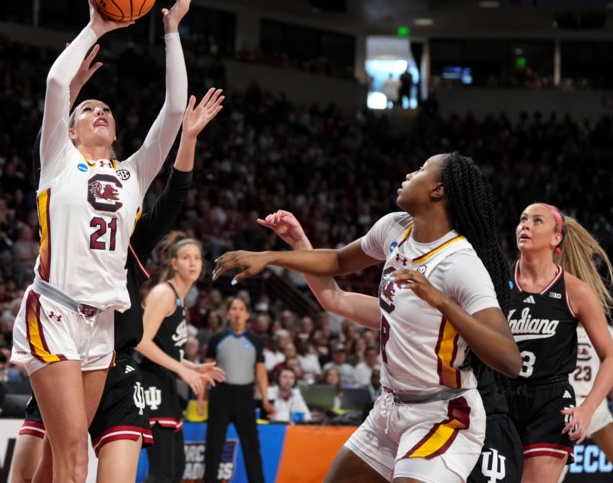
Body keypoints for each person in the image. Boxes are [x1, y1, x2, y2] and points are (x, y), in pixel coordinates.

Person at [215, 153, 523, 483]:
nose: (408, 173)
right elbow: (335, 263)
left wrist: (442, 302)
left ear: (438, 190)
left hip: (442, 413)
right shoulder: (393, 228)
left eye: (420, 169)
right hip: (389, 408)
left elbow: (509, 360)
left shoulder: (460, 264)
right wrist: (272, 255)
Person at [9, 0, 192, 483]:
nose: (100, 111)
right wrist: (95, 27)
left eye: (106, 110)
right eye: (88, 109)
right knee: (71, 460)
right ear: (68, 130)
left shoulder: (132, 174)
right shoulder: (58, 161)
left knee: (61, 463)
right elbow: (54, 84)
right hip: (55, 311)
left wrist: (171, 31)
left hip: (102, 327)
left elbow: (175, 110)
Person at [508, 205, 613, 482]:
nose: (526, 225)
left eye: (536, 221)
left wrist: (587, 409)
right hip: (501, 396)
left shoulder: (576, 291)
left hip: (550, 401)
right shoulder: (497, 282)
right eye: (522, 219)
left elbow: (611, 358)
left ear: (556, 238)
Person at [137, 235, 221, 483]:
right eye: (186, 258)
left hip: (166, 382)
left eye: (197, 258)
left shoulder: (180, 298)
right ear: (174, 263)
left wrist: (192, 366)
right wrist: (182, 371)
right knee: (161, 472)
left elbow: (168, 349)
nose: (193, 263)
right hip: (150, 382)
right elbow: (141, 342)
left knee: (176, 470)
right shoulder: (164, 293)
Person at [199, 297, 271, 483]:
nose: (237, 312)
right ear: (228, 313)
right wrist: (201, 398)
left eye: (241, 309)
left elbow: (261, 373)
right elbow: (207, 371)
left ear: (247, 314)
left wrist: (265, 400)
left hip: (245, 396)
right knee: (214, 444)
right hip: (220, 395)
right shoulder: (217, 339)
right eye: (233, 308)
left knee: (251, 446)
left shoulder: (256, 341)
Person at [560, 323, 613, 482]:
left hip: (586, 405)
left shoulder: (560, 325)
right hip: (578, 405)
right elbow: (612, 361)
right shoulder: (605, 330)